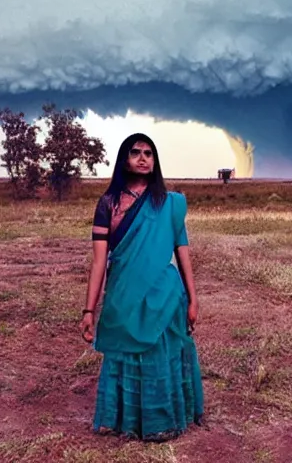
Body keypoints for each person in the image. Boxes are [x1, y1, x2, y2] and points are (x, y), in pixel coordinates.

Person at [81, 134, 204, 441]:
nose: (143, 158)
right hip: (123, 294)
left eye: (149, 153)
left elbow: (182, 250)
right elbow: (99, 262)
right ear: (124, 158)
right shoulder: (108, 204)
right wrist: (88, 310)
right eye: (135, 152)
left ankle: (162, 421)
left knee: (159, 355)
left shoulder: (168, 203)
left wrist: (193, 298)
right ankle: (125, 420)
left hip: (164, 295)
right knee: (124, 352)